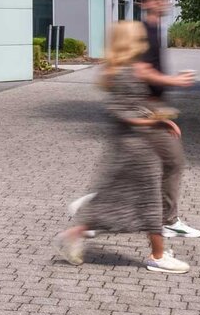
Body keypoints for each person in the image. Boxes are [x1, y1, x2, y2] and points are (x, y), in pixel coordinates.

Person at [57, 21, 188, 274]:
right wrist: (156, 119)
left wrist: (163, 119)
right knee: (149, 200)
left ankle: (73, 234)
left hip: (133, 144)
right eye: (138, 37)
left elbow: (134, 105)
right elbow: (120, 111)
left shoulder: (123, 68)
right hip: (135, 147)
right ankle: (158, 256)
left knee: (119, 199)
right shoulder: (124, 72)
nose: (143, 41)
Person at [140, 0, 200, 238]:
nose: (165, 2)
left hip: (152, 107)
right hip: (145, 106)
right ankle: (167, 220)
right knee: (173, 161)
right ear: (145, 4)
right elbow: (141, 70)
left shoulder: (156, 30)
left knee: (134, 166)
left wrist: (163, 116)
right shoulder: (144, 33)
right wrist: (175, 81)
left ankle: (89, 218)